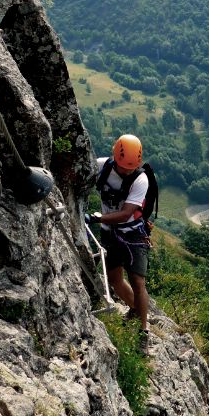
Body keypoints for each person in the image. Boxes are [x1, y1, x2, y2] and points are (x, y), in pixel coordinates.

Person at [89, 134, 151, 341]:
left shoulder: (140, 179)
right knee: (115, 279)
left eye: (131, 168)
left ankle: (144, 329)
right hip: (109, 232)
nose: (127, 171)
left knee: (137, 280)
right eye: (124, 167)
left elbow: (125, 214)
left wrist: (96, 218)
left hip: (133, 233)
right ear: (115, 158)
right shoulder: (102, 166)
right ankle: (134, 309)